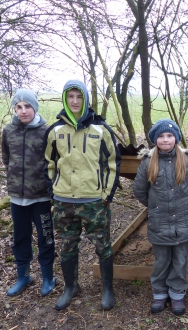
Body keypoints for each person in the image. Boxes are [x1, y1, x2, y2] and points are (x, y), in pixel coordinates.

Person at [44, 80, 121, 311]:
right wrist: (53, 191)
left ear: (86, 99)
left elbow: (112, 164)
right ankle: (71, 287)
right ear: (65, 100)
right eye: (71, 97)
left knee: (102, 245)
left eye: (79, 97)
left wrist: (106, 195)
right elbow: (48, 163)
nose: (75, 101)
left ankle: (108, 289)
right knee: (68, 246)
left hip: (94, 201)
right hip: (64, 201)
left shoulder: (101, 130)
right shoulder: (55, 131)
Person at [133, 118, 188, 315]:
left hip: (183, 221)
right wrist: (156, 207)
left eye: (170, 136)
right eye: (161, 136)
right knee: (162, 260)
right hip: (159, 223)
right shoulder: (148, 162)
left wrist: (184, 203)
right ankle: (159, 293)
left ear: (176, 138)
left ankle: (177, 294)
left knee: (180, 260)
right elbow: (139, 190)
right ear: (155, 140)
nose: (166, 140)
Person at [1, 89, 56, 297]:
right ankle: (23, 275)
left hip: (41, 196)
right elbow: (7, 158)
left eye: (27, 106)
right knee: (20, 237)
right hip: (17, 197)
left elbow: (53, 162)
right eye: (18, 107)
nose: (23, 111)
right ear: (15, 109)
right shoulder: (9, 130)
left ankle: (48, 277)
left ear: (35, 107)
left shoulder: (47, 131)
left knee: (46, 237)